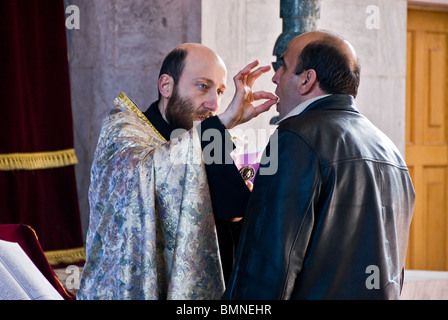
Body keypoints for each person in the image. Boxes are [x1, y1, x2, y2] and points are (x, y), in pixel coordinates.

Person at [224, 30, 415, 300]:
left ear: (306, 80)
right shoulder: (390, 150)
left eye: (283, 66)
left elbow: (270, 265)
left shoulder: (295, 137)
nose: (275, 77)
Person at [77, 43, 277, 300]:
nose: (214, 103)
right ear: (166, 86)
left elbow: (230, 215)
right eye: (203, 86)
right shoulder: (124, 131)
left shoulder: (203, 138)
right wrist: (224, 122)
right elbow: (152, 169)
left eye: (220, 91)